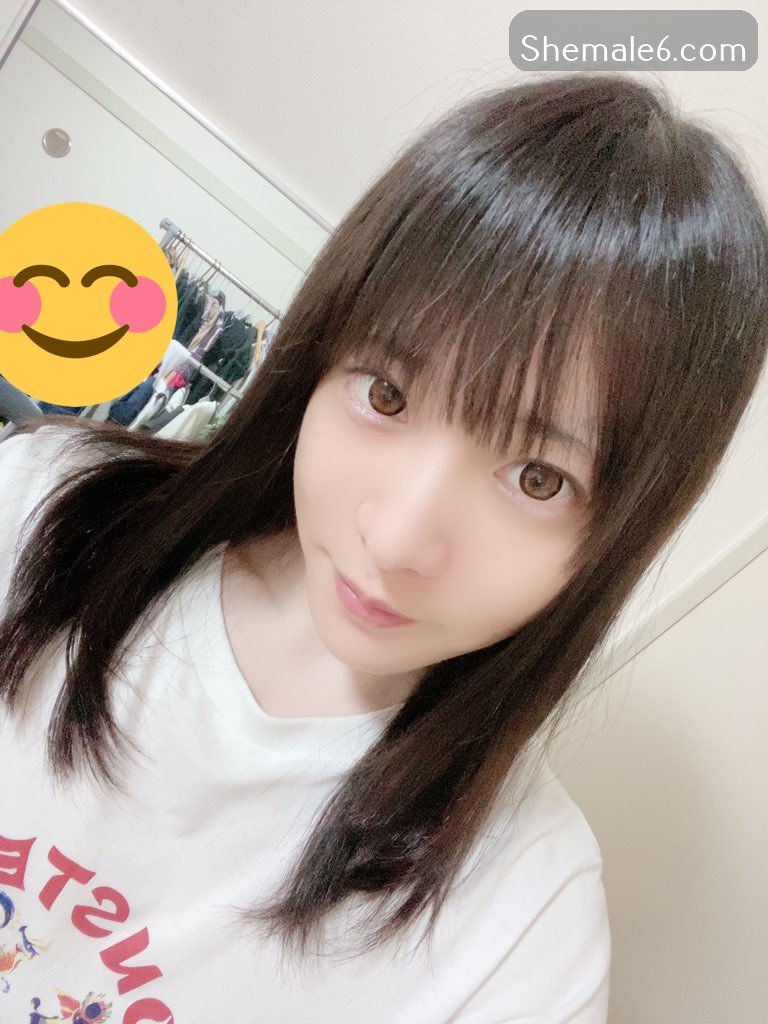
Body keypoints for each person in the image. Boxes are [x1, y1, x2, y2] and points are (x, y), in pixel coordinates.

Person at [0, 70, 766, 1022]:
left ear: (618, 536)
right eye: (387, 395)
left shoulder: (520, 925)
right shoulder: (40, 513)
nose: (397, 538)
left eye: (538, 478)